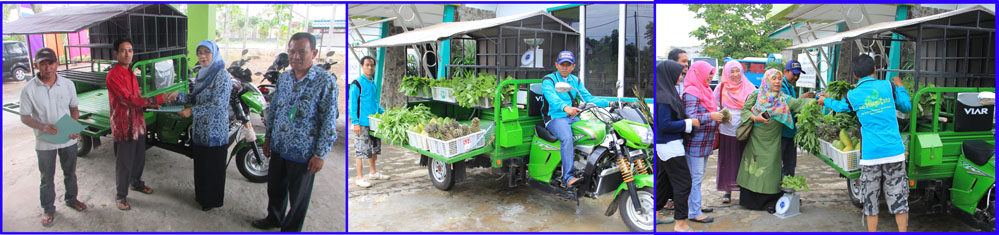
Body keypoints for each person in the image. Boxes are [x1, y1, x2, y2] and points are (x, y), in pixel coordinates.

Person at [252, 32, 337, 232]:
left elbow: (328, 120)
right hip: (279, 146)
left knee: (298, 198)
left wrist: (320, 154)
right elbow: (275, 110)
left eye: (302, 52)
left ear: (314, 53)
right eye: (292, 52)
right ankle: (274, 218)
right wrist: (268, 137)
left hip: (304, 152)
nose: (295, 57)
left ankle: (290, 229)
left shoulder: (325, 81)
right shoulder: (284, 78)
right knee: (275, 188)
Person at [817, 54, 911, 232]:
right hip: (894, 152)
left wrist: (825, 101)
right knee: (898, 196)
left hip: (871, 156)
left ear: (854, 75)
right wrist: (900, 86)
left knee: (870, 199)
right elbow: (906, 107)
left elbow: (840, 107)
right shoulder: (888, 86)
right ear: (875, 70)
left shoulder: (853, 95)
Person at [105, 39, 179, 211]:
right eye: (123, 50)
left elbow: (137, 98)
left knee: (139, 157)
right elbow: (128, 100)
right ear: (116, 53)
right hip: (124, 125)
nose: (128, 54)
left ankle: (136, 183)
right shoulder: (113, 75)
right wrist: (160, 98)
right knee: (124, 162)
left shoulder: (130, 72)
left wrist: (152, 104)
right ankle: (120, 195)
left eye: (130, 50)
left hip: (137, 122)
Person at [20, 48, 88, 226]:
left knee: (70, 172)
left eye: (51, 63)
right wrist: (42, 126)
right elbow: (25, 116)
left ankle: (71, 199)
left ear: (56, 64)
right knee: (46, 177)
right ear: (37, 65)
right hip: (44, 141)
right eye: (43, 63)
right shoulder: (28, 89)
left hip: (67, 137)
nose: (47, 67)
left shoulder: (67, 84)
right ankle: (48, 208)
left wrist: (74, 126)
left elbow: (74, 108)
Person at [736, 69, 812, 211]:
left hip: (773, 141)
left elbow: (800, 104)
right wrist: (755, 118)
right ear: (766, 80)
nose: (777, 81)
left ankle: (768, 203)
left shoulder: (783, 98)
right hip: (756, 140)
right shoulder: (757, 94)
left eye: (779, 78)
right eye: (774, 78)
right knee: (754, 166)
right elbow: (745, 111)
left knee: (770, 170)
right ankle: (749, 201)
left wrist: (822, 101)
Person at [541, 50, 613, 188]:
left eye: (568, 64)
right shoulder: (548, 80)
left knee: (595, 132)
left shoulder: (576, 81)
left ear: (573, 66)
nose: (564, 67)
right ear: (556, 65)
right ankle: (568, 178)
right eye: (562, 64)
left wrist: (609, 103)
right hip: (555, 118)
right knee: (567, 138)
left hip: (573, 117)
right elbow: (552, 98)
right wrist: (566, 108)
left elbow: (589, 98)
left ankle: (590, 170)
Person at [174, 40, 232, 211]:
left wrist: (192, 112)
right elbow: (195, 98)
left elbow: (218, 104)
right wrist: (179, 95)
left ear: (214, 53)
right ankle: (202, 197)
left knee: (213, 168)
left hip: (215, 131)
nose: (203, 56)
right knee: (202, 167)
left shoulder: (222, 75)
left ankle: (211, 201)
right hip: (200, 130)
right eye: (200, 53)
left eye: (207, 52)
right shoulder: (202, 73)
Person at [655, 60, 700, 232]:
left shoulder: (667, 93)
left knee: (664, 180)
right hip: (669, 145)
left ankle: (656, 212)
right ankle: (680, 223)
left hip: (668, 144)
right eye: (680, 74)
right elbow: (665, 125)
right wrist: (689, 122)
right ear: (669, 74)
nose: (681, 77)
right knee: (684, 182)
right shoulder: (664, 98)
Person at [682, 61, 724, 223]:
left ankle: (696, 205)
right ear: (698, 73)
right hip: (695, 143)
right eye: (708, 73)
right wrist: (711, 117)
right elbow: (691, 117)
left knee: (698, 176)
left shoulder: (705, 90)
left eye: (712, 74)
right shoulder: (692, 91)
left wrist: (719, 117)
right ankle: (694, 212)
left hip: (705, 142)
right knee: (695, 177)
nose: (710, 77)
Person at [710, 60, 754, 204]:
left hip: (744, 130)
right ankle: (727, 191)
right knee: (727, 160)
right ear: (727, 73)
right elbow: (713, 105)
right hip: (726, 131)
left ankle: (744, 190)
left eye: (737, 71)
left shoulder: (750, 87)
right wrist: (721, 115)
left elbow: (756, 105)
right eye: (732, 72)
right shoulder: (721, 87)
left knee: (744, 159)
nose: (735, 74)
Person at [350, 55, 387, 188]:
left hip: (374, 122)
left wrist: (385, 112)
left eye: (372, 65)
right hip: (361, 123)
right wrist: (355, 123)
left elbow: (374, 104)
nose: (370, 67)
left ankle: (373, 172)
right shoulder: (357, 84)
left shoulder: (372, 83)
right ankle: (359, 178)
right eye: (367, 65)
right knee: (360, 151)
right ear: (362, 66)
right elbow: (353, 105)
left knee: (373, 149)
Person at [779, 60, 815, 177]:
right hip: (781, 133)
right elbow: (787, 107)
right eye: (793, 74)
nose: (796, 77)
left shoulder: (791, 87)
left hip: (790, 133)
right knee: (779, 165)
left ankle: (787, 189)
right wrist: (801, 99)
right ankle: (778, 191)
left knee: (790, 165)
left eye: (798, 74)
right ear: (785, 72)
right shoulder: (781, 86)